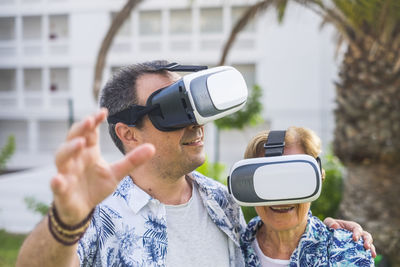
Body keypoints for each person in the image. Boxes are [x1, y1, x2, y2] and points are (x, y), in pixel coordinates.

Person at [17, 61, 375, 267]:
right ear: (129, 133)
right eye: (173, 110)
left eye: (197, 107)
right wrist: (64, 222)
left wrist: (333, 231)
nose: (197, 124)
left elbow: (281, 233)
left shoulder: (224, 203)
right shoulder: (97, 214)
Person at [240, 127, 375, 266]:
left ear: (318, 179)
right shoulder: (229, 247)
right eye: (267, 181)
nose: (282, 196)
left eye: (295, 178)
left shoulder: (350, 252)